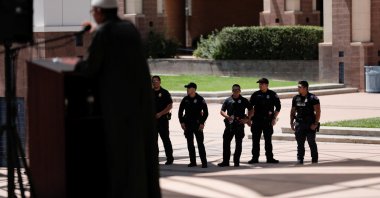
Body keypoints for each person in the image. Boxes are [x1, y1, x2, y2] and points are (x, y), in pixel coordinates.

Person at [74, 0, 161, 197]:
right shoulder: (128, 28)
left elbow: (90, 68)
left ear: (99, 11)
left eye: (93, 12)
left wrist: (76, 64)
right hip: (139, 105)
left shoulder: (104, 32)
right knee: (138, 155)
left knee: (119, 157)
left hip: (117, 108)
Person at [218, 84, 253, 167]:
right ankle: (225, 161)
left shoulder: (244, 100)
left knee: (238, 144)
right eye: (234, 90)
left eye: (237, 89)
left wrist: (247, 118)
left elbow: (251, 109)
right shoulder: (228, 100)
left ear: (240, 90)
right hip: (229, 125)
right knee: (226, 143)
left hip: (239, 125)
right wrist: (227, 116)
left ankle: (236, 161)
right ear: (232, 91)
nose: (236, 91)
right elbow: (222, 111)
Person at [248, 78, 281, 164]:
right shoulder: (255, 94)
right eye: (259, 84)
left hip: (268, 121)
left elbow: (278, 107)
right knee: (255, 141)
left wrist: (274, 118)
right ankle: (255, 158)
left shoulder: (272, 94)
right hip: (256, 121)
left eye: (262, 84)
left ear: (267, 85)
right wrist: (249, 119)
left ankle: (270, 158)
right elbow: (250, 107)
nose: (260, 85)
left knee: (268, 141)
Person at [178, 82, 209, 168]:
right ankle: (193, 162)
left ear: (193, 89)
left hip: (197, 124)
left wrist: (202, 123)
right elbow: (180, 112)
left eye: (188, 88)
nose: (187, 90)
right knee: (190, 144)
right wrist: (182, 122)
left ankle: (204, 162)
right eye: (187, 88)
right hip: (187, 124)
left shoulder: (200, 99)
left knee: (200, 143)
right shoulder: (185, 99)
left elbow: (206, 113)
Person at [290, 80, 321, 164]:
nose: (298, 88)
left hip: (310, 123)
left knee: (311, 142)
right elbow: (293, 111)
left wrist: (315, 123)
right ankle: (300, 158)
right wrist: (291, 122)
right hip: (299, 123)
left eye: (299, 87)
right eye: (298, 87)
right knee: (300, 142)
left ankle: (314, 158)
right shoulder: (296, 98)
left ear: (305, 88)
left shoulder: (313, 98)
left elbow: (318, 112)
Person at [152, 75, 174, 165]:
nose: (155, 82)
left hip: (163, 120)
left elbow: (170, 106)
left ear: (160, 82)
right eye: (153, 81)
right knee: (153, 141)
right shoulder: (149, 92)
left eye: (156, 81)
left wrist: (160, 113)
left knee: (165, 139)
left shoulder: (165, 92)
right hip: (152, 121)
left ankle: (169, 158)